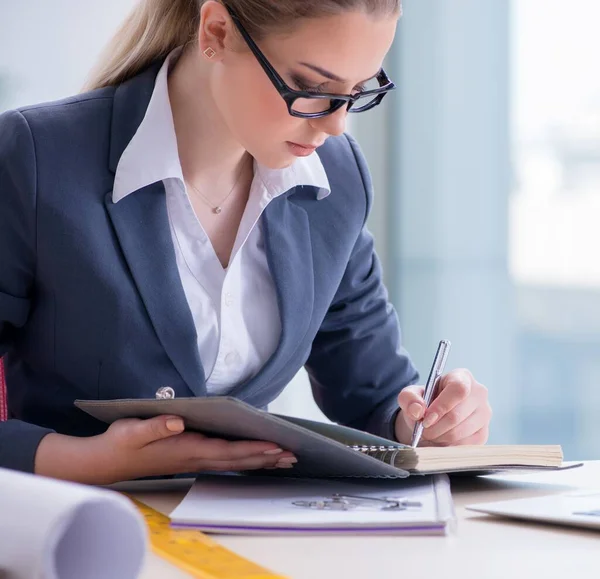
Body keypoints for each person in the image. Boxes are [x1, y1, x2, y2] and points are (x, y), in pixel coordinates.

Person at [0, 0, 492, 485]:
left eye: (359, 91)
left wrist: (429, 422)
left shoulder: (336, 178)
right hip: (79, 531)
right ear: (216, 32)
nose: (335, 124)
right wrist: (87, 461)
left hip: (254, 540)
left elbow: (375, 396)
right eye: (310, 87)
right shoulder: (35, 158)